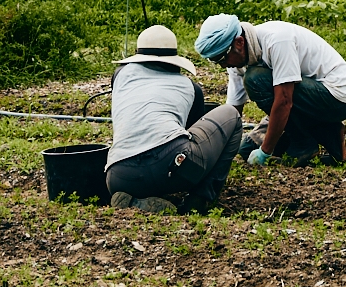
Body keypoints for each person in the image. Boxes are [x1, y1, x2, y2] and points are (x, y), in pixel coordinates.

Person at [104, 25, 243, 215]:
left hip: (118, 176)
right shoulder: (190, 88)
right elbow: (191, 131)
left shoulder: (120, 75)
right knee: (231, 115)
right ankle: (200, 199)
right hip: (172, 167)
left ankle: (136, 201)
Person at [195, 14, 346, 165]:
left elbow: (284, 101)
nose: (223, 65)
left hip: (335, 98)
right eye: (215, 61)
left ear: (239, 42)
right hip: (306, 99)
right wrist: (221, 150)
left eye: (222, 58)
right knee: (246, 149)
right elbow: (234, 110)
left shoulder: (277, 40)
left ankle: (305, 144)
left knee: (255, 79)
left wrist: (265, 151)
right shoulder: (236, 58)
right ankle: (330, 134)